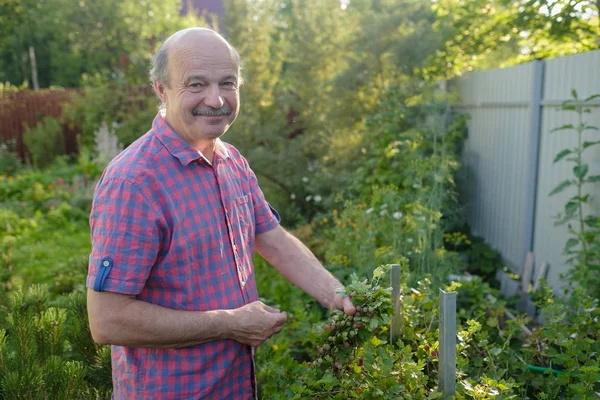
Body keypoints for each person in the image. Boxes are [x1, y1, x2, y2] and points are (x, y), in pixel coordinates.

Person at [86, 27, 356, 400]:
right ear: (161, 89)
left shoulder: (231, 161)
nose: (215, 100)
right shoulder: (134, 183)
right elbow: (107, 320)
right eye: (196, 84)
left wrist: (338, 295)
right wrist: (230, 324)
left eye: (227, 83)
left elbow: (273, 240)